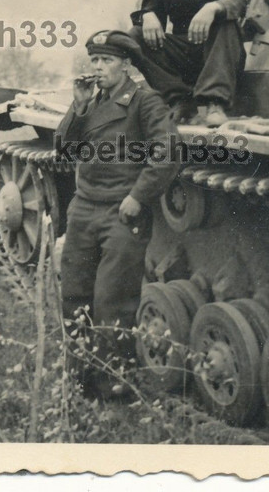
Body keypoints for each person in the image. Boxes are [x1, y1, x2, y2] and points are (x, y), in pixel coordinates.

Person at [56, 30, 178, 399]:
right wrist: (78, 107)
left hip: (121, 211)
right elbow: (64, 150)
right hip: (85, 207)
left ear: (125, 65)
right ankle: (79, 379)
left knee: (113, 300)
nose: (98, 67)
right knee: (74, 294)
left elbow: (168, 150)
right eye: (94, 59)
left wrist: (139, 196)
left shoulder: (144, 102)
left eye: (106, 60)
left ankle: (113, 384)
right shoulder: (90, 101)